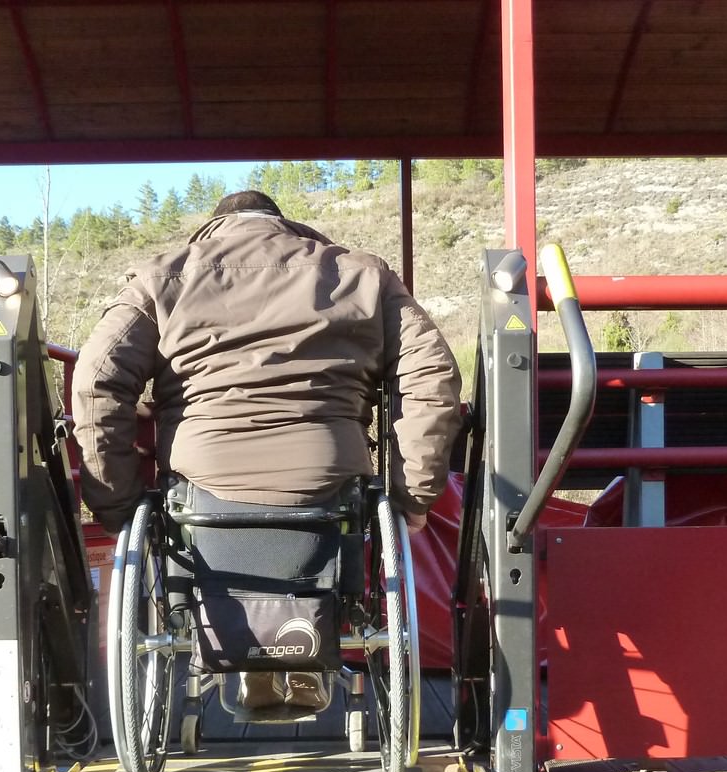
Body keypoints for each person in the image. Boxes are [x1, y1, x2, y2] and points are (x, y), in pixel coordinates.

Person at [72, 191, 461, 714]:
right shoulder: (363, 275)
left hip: (204, 481)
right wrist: (413, 496)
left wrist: (116, 503)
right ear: (286, 224)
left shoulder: (161, 278)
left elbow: (97, 382)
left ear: (214, 228)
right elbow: (431, 380)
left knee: (192, 533)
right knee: (342, 522)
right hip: (327, 477)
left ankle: (244, 653)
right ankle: (303, 652)